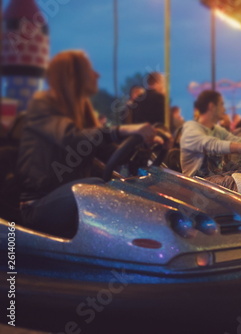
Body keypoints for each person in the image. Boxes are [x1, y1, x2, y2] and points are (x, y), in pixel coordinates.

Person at [16, 50, 158, 237]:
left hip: (68, 194)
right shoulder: (42, 103)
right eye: (89, 70)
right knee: (93, 189)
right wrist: (122, 130)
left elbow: (109, 153)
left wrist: (144, 148)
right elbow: (72, 139)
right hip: (38, 204)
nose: (97, 74)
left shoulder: (82, 110)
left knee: (121, 189)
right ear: (73, 75)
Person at [180, 90, 241, 188]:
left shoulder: (217, 130)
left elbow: (234, 140)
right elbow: (213, 145)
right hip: (195, 184)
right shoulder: (191, 129)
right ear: (212, 106)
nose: (224, 109)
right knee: (238, 184)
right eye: (221, 104)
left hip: (215, 177)